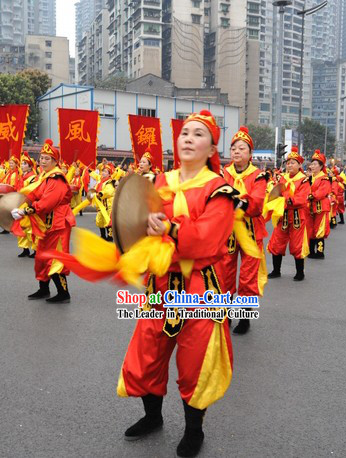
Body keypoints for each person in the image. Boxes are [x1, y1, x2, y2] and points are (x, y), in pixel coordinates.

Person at [49, 110, 236, 458]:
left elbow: (208, 239)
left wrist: (170, 229)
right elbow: (136, 221)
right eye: (184, 133)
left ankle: (194, 430)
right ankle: (153, 417)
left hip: (199, 288)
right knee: (147, 354)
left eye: (198, 134)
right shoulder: (161, 182)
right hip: (161, 285)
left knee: (195, 362)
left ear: (212, 145)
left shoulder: (220, 190)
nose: (189, 139)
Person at [11, 139, 75, 303]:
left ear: (55, 161)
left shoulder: (57, 178)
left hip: (59, 224)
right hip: (47, 224)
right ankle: (43, 290)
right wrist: (22, 204)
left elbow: (47, 203)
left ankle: (63, 293)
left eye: (48, 158)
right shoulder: (44, 177)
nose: (43, 161)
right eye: (42, 158)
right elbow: (35, 195)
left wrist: (25, 211)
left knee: (55, 259)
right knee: (41, 257)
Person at [221, 126, 268, 334]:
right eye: (233, 149)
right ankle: (225, 314)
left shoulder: (258, 176)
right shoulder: (223, 174)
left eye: (242, 148)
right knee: (225, 274)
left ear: (250, 153)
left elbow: (257, 203)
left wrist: (238, 203)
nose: (237, 152)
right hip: (228, 233)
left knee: (248, 278)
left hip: (250, 233)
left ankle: (245, 318)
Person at [267, 148, 310, 281]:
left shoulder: (304, 180)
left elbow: (302, 199)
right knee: (277, 242)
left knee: (297, 244)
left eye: (293, 163)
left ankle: (300, 272)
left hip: (297, 216)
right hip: (282, 214)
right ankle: (276, 270)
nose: (289, 165)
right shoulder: (281, 178)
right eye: (288, 163)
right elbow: (274, 191)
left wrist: (286, 197)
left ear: (299, 165)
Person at [306, 151, 331, 259]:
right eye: (312, 164)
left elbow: (322, 192)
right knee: (310, 229)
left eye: (315, 164)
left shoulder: (324, 178)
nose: (312, 166)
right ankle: (311, 251)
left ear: (321, 166)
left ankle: (320, 252)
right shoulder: (310, 178)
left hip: (320, 207)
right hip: (310, 207)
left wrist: (311, 195)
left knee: (319, 230)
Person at [16, 152, 37, 258]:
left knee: (30, 229)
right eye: (22, 163)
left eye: (25, 164)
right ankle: (25, 249)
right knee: (21, 227)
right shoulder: (21, 177)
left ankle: (35, 249)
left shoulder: (33, 178)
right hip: (20, 204)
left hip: (28, 204)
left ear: (30, 167)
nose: (22, 165)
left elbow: (33, 193)